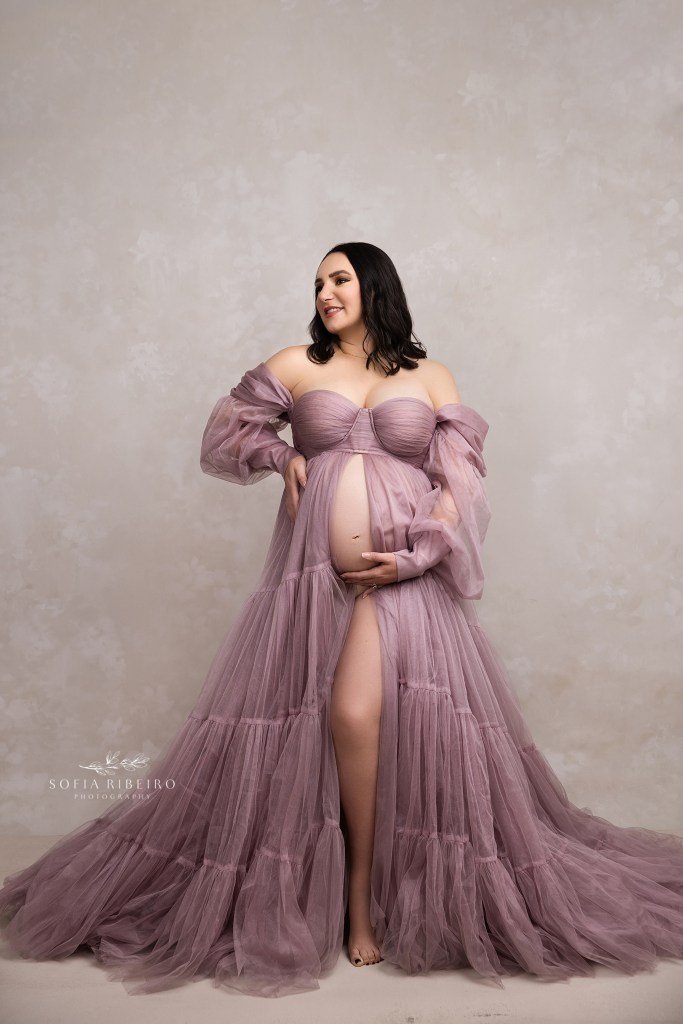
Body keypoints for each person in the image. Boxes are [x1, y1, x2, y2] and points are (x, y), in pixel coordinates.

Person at [1, 242, 683, 1000]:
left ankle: (363, 898)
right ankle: (352, 901)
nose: (324, 291)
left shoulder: (430, 377)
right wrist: (279, 454)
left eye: (340, 278)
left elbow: (457, 484)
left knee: (359, 718)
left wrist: (420, 554)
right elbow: (222, 435)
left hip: (403, 579)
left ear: (374, 287)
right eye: (318, 282)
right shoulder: (298, 365)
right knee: (335, 725)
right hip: (312, 585)